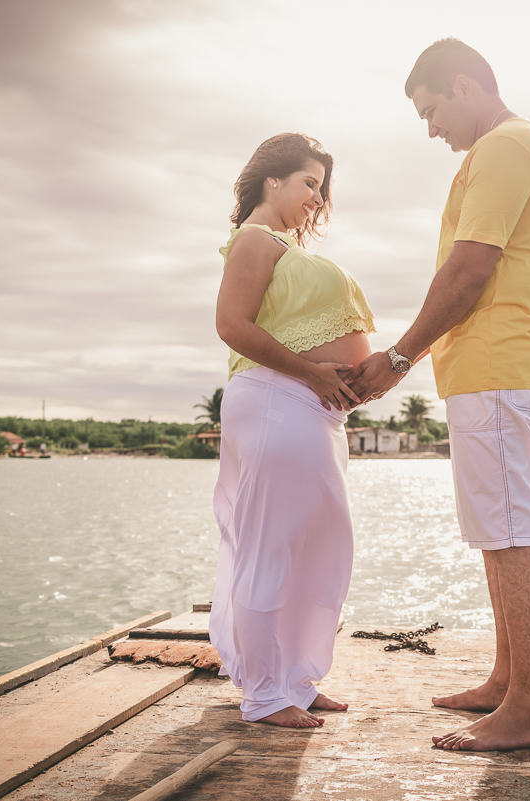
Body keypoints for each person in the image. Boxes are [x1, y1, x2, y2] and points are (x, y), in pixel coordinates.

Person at [348, 38, 530, 752]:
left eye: (432, 109)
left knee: (509, 531)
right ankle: (507, 680)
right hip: (484, 369)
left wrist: (400, 356)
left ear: (466, 86)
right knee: (492, 531)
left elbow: (470, 271)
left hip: (499, 363)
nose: (430, 127)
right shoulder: (495, 151)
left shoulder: (506, 147)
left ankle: (528, 710)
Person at [212, 133, 374, 728]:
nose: (317, 196)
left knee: (319, 550)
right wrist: (311, 371)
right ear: (270, 179)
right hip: (278, 402)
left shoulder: (282, 244)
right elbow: (231, 325)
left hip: (313, 412)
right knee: (270, 547)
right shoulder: (254, 241)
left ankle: (295, 681)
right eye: (309, 182)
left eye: (322, 188)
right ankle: (263, 694)